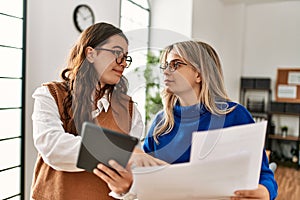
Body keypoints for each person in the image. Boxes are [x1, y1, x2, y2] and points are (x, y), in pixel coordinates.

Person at [30, 22, 163, 200]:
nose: (123, 63)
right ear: (90, 53)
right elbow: (53, 147)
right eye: (117, 53)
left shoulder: (130, 111)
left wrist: (127, 187)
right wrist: (122, 151)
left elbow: (130, 178)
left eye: (126, 57)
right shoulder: (50, 95)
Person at [142, 40, 278, 200]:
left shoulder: (235, 115)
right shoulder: (161, 122)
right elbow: (144, 173)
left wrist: (265, 191)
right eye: (165, 66)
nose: (166, 71)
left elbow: (263, 174)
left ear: (199, 74)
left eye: (176, 64)